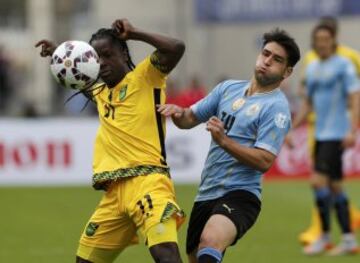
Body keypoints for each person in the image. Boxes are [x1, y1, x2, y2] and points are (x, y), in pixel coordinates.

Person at [35, 19, 185, 263]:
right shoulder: (100, 93)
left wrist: (135, 33)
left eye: (107, 54)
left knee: (165, 254)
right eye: (96, 58)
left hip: (148, 184)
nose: (102, 63)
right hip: (114, 194)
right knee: (85, 261)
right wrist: (59, 52)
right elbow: (80, 74)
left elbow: (176, 48)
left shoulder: (147, 76)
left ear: (123, 53)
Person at [158, 28, 300, 263]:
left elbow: (264, 160)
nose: (267, 61)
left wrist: (224, 141)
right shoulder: (227, 89)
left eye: (277, 60)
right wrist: (177, 113)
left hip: (241, 194)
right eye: (266, 53)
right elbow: (189, 119)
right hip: (206, 194)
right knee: (197, 256)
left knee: (211, 239)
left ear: (287, 71)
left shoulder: (276, 107)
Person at [288, 24, 360, 255]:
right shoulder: (312, 68)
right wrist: (290, 127)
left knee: (318, 182)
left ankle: (325, 236)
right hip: (319, 134)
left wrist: (352, 130)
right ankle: (348, 238)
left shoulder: (343, 65)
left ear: (333, 40)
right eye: (317, 39)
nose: (321, 43)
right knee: (336, 187)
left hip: (337, 134)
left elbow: (355, 97)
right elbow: (307, 104)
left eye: (325, 38)